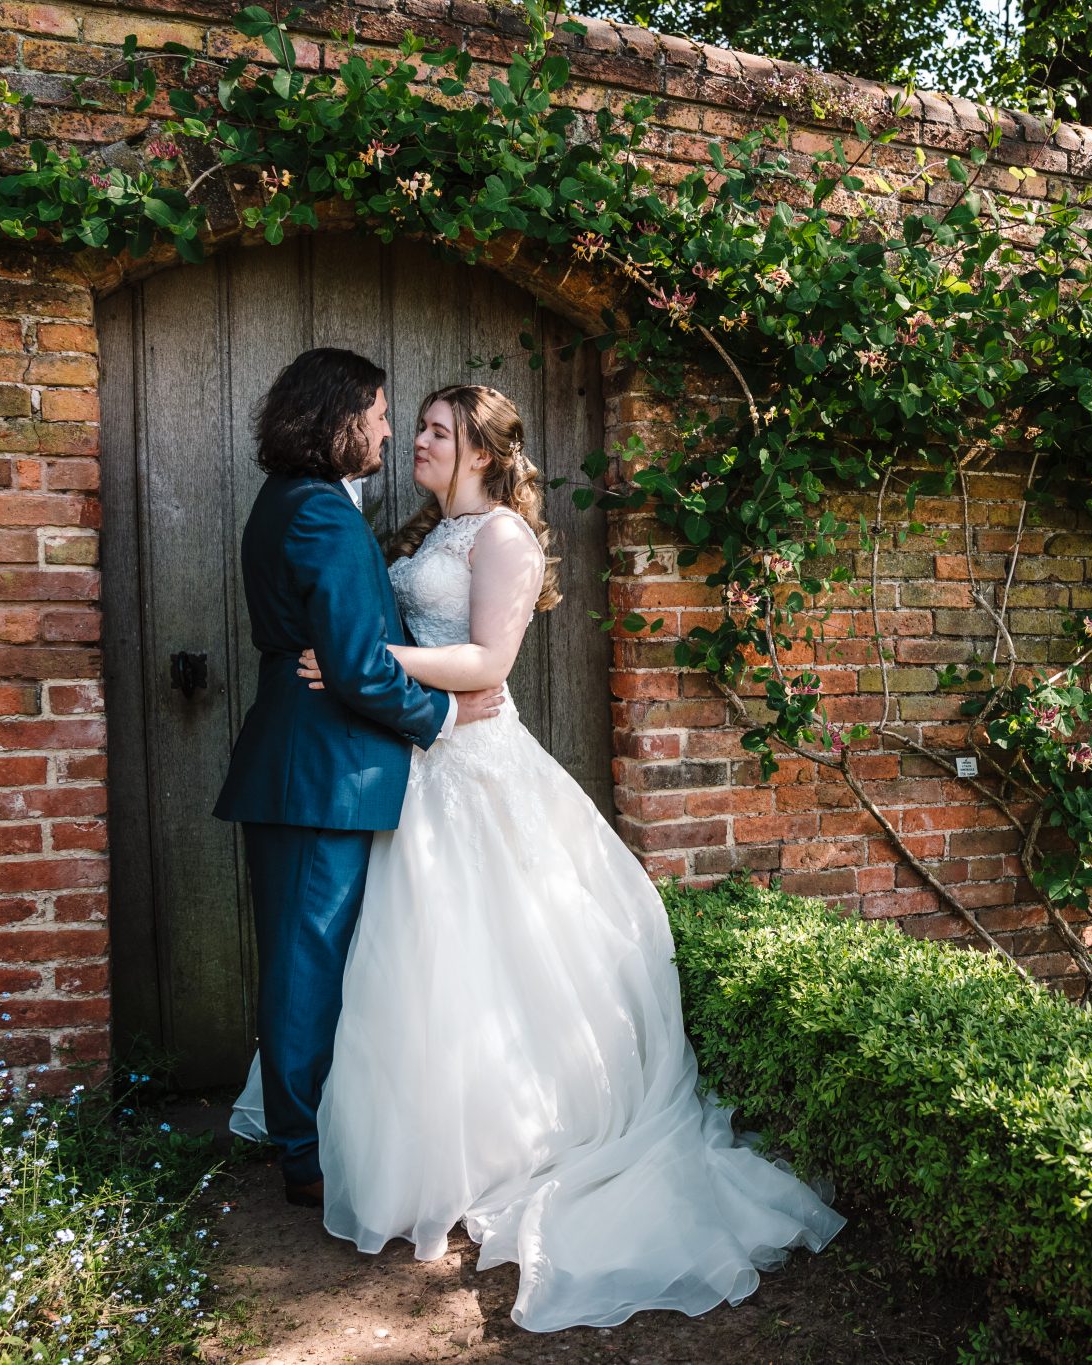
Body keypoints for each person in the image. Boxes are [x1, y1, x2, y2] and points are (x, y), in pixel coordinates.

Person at [229, 382, 844, 1331]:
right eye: (411, 424)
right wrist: (374, 663)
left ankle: (502, 1136)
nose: (415, 440)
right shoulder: (427, 534)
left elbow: (488, 664)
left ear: (482, 449)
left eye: (436, 430)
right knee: (409, 958)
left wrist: (374, 662)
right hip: (415, 765)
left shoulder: (505, 537)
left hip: (474, 759)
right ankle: (410, 1134)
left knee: (494, 946)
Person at [213, 348, 503, 1210]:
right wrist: (446, 716)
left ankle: (315, 1131)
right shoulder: (317, 513)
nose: (387, 430)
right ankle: (304, 1156)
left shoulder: (296, 500)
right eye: (378, 414)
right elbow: (357, 666)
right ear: (337, 416)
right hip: (319, 771)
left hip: (317, 768)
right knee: (306, 968)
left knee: (315, 961)